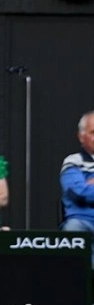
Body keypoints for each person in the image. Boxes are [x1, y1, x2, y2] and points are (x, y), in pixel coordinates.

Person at [60, 110, 94, 267]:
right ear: (81, 137)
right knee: (73, 228)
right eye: (93, 132)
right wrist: (87, 188)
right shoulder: (73, 161)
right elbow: (79, 193)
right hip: (83, 222)